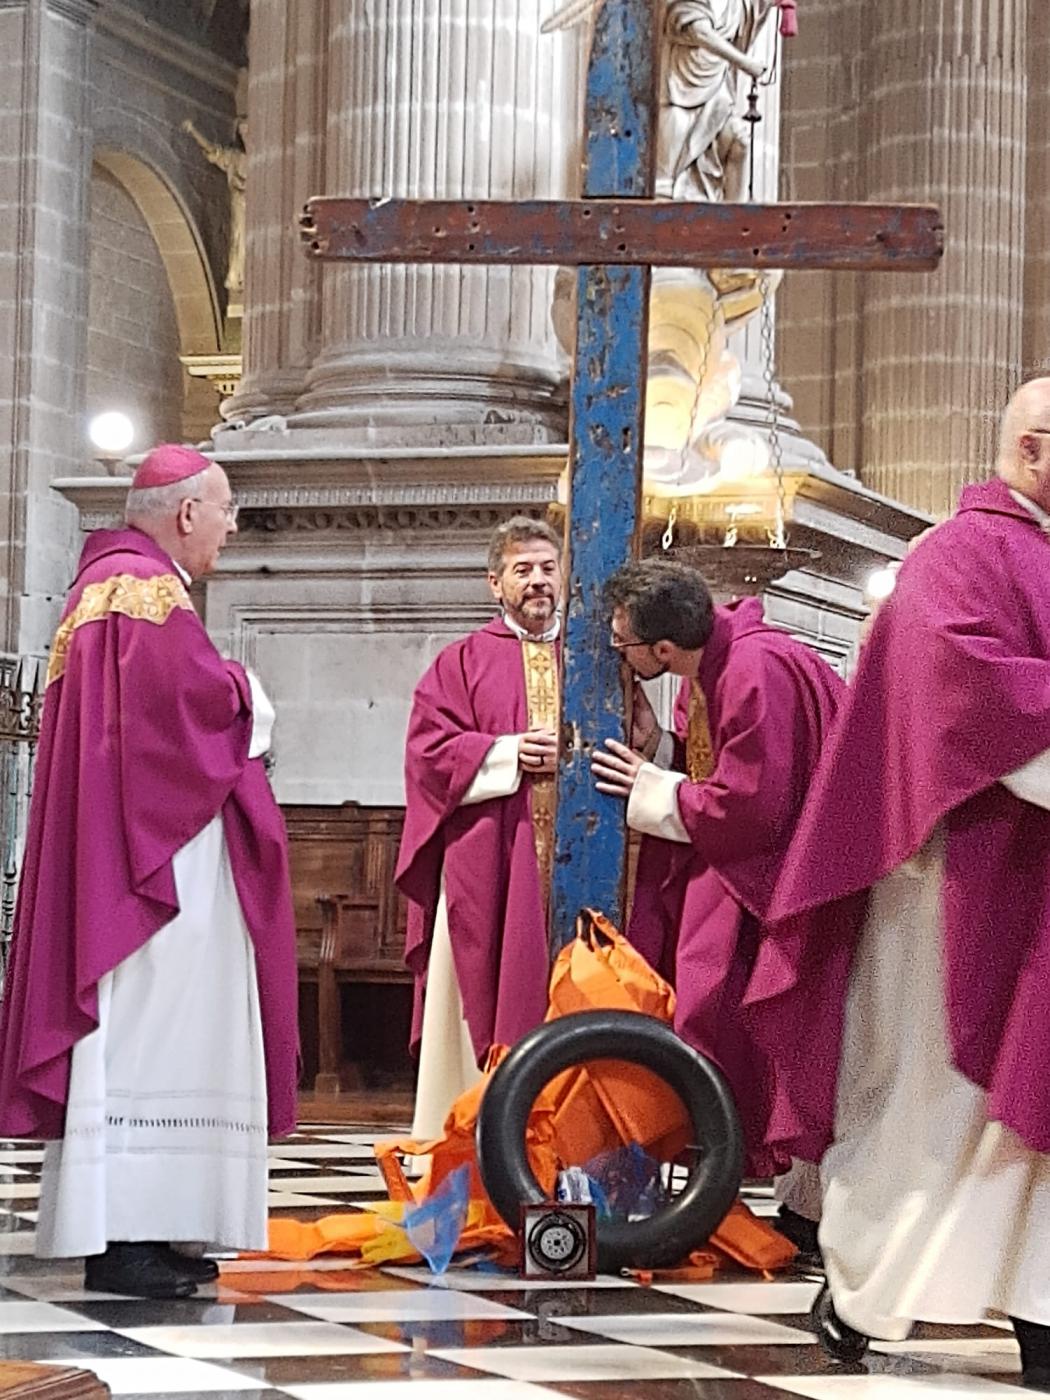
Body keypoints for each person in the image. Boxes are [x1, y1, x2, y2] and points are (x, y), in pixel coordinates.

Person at [745, 378, 1050, 1390]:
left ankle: (1036, 1310)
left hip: (1028, 882)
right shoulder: (955, 555)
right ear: (1036, 448)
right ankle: (866, 1287)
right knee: (940, 1113)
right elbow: (957, 690)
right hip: (952, 887)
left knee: (1023, 1113)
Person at [0, 443, 299, 1300]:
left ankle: (153, 1227)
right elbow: (186, 715)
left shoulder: (118, 585)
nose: (235, 525)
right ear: (185, 512)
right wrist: (247, 690)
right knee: (146, 1043)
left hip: (142, 858)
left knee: (158, 1043)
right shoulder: (141, 590)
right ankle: (123, 1238)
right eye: (227, 507)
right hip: (151, 874)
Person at [591, 559, 843, 1243]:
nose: (624, 656)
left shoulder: (754, 671)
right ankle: (763, 1192)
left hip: (794, 882)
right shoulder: (718, 668)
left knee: (737, 1014)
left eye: (624, 646)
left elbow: (753, 804)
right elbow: (720, 761)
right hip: (763, 871)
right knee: (709, 1004)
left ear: (663, 649)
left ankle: (796, 1203)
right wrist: (663, 752)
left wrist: (652, 787)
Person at [396, 517, 563, 1141]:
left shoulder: (592, 660)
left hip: (573, 861)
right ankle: (470, 1137)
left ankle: (565, 1134)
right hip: (490, 858)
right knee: (477, 984)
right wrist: (507, 754)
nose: (538, 581)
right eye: (523, 570)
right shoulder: (460, 661)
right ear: (495, 584)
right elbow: (428, 752)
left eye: (548, 567)